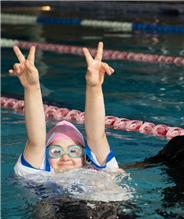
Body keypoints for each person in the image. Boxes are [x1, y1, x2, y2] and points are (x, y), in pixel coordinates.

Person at [10, 42, 119, 176]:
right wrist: (31, 87)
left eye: (74, 151)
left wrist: (94, 86)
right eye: (56, 151)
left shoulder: (102, 170)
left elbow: (97, 136)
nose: (65, 158)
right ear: (45, 157)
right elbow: (36, 142)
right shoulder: (39, 174)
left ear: (85, 157)